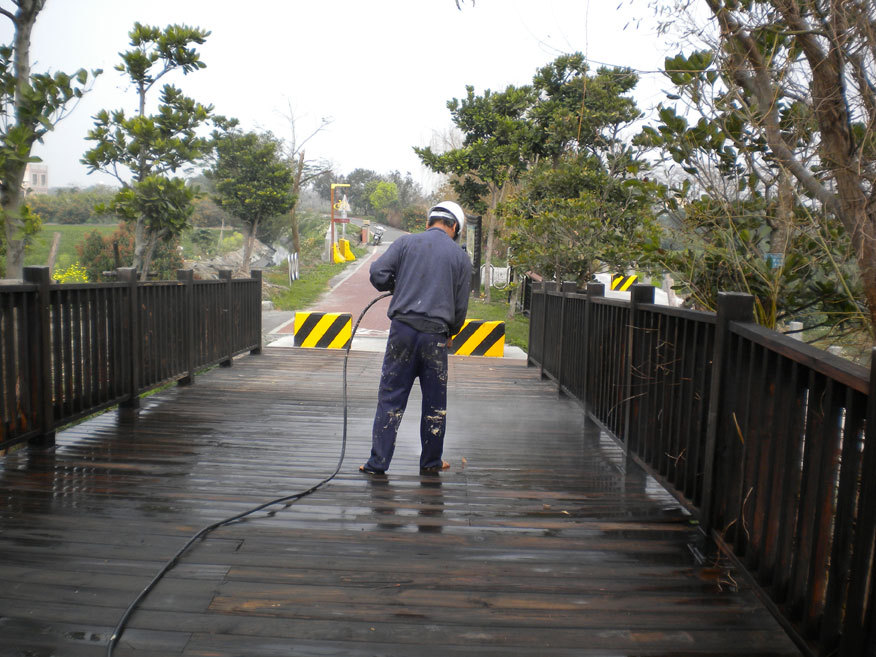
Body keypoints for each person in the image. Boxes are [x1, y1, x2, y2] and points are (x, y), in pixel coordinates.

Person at [360, 201, 472, 475]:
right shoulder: (460, 258)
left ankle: (378, 464)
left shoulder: (405, 243)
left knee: (391, 397)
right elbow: (460, 307)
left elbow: (378, 273)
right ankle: (431, 462)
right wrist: (451, 332)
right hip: (435, 337)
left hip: (402, 332)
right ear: (455, 227)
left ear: (429, 222)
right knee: (435, 401)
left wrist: (397, 285)